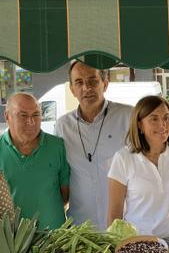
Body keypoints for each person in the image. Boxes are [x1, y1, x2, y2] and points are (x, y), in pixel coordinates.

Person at [56, 60, 133, 229]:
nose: (86, 88)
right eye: (79, 82)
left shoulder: (128, 117)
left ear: (105, 83)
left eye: (93, 81)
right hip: (81, 227)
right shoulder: (63, 126)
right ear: (72, 89)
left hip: (124, 225)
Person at [0, 93, 70, 229]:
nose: (31, 122)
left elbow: (65, 193)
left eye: (36, 115)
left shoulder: (57, 146)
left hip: (55, 239)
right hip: (11, 243)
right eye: (23, 115)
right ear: (7, 117)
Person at [107, 96, 169, 249]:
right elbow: (114, 213)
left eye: (167, 118)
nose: (163, 125)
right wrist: (115, 250)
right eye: (154, 119)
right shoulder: (123, 159)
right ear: (140, 125)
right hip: (139, 244)